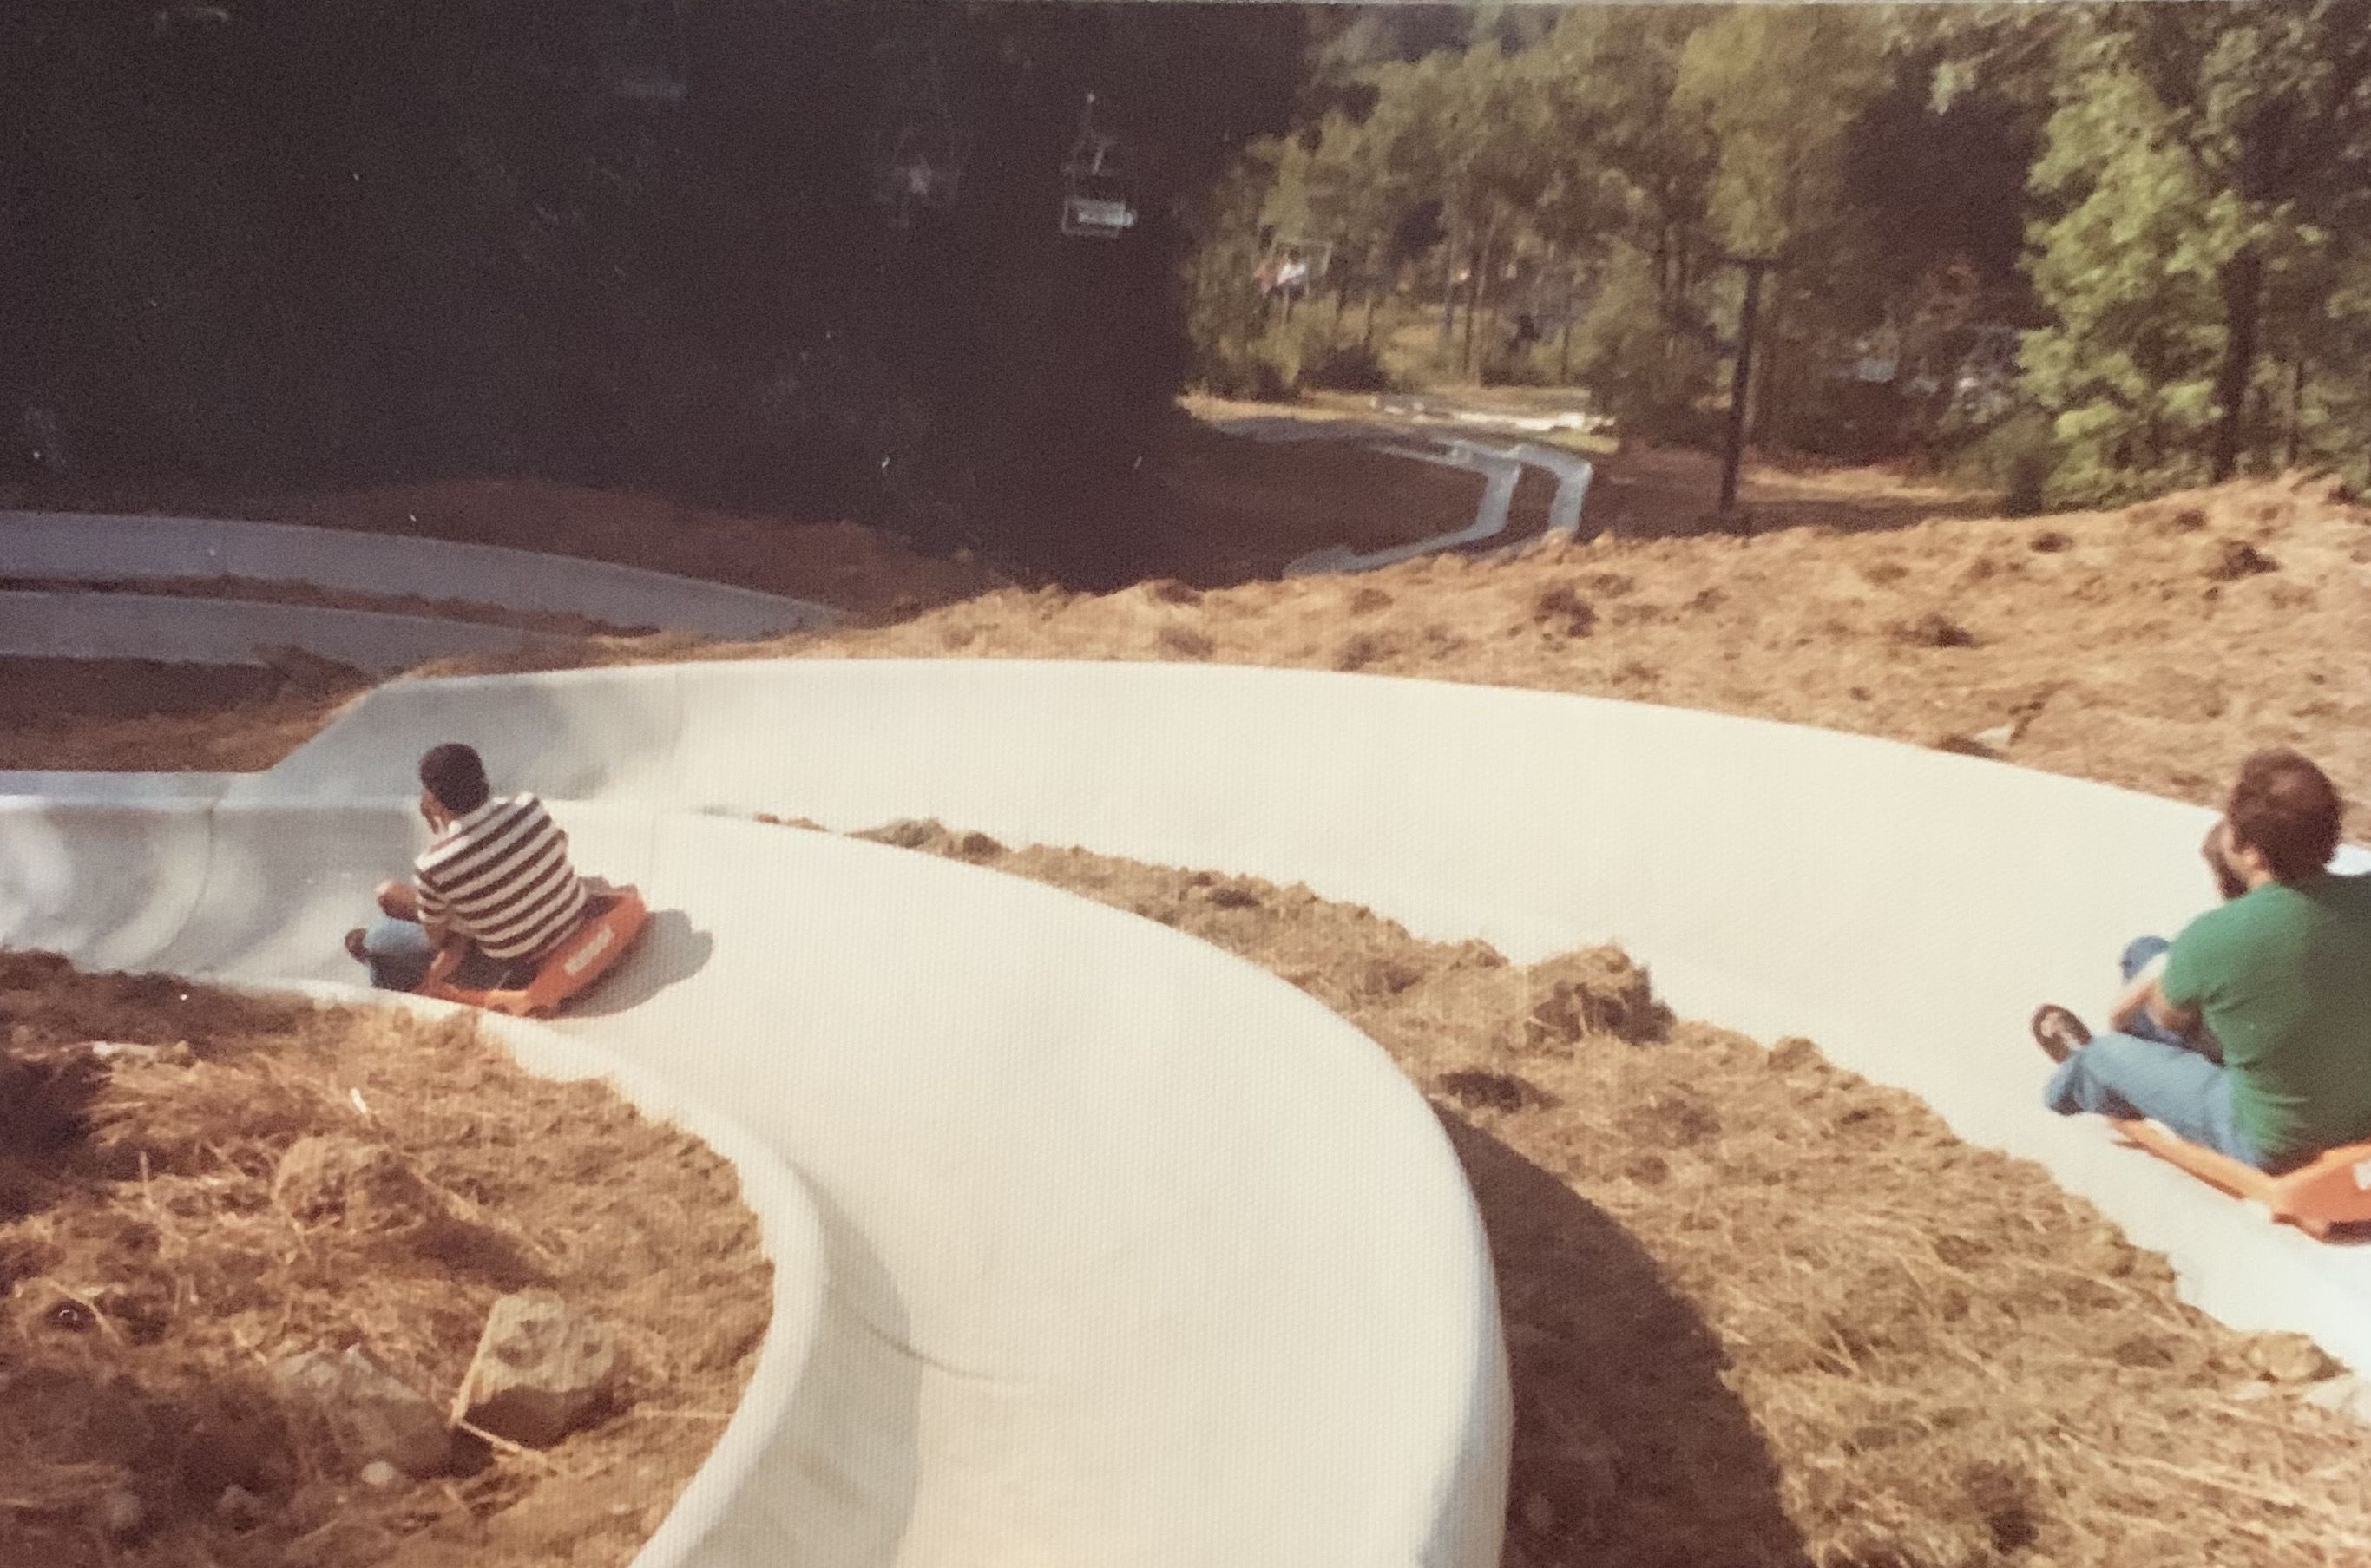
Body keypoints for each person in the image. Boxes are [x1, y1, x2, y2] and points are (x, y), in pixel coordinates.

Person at [2033, 750, 2371, 1172]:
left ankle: (2086, 1073)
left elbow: (2168, 1021)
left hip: (2276, 1138)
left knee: (2109, 1052)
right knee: (2147, 952)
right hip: (2361, 1113)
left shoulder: (2215, 933)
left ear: (2249, 852)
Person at [346, 743, 596, 994]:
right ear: (482, 777)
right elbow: (559, 842)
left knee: (376, 938)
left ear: (433, 798)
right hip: (572, 918)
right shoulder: (528, 805)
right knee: (402, 899)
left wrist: (442, 830)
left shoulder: (433, 864)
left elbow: (436, 938)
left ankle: (394, 988)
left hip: (513, 959)